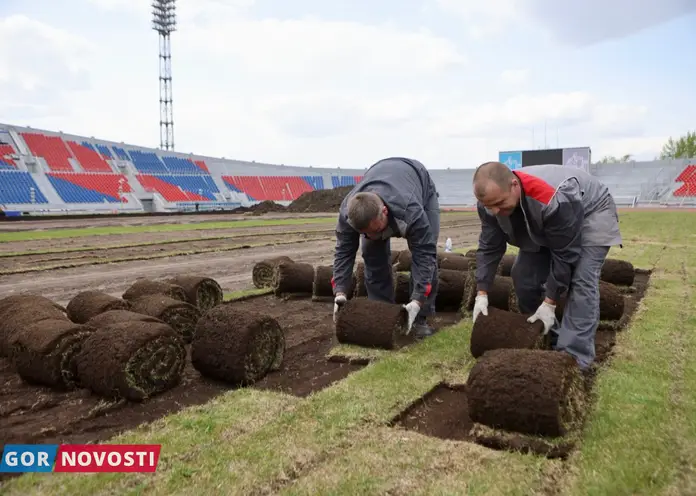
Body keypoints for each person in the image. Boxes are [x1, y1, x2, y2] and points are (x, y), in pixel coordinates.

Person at [471, 161, 622, 371]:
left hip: (590, 213)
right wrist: (482, 292)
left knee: (581, 280)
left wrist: (550, 302)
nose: (495, 211)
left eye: (499, 203)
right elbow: (489, 247)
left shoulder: (554, 197)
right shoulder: (490, 202)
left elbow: (565, 254)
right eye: (489, 206)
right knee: (523, 276)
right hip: (547, 220)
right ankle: (548, 336)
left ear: (514, 185)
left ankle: (574, 360)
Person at [331, 157, 440, 338]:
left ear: (384, 212)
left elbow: (425, 255)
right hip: (380, 172)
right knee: (372, 255)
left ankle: (420, 319)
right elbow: (343, 252)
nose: (373, 236)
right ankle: (382, 312)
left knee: (427, 256)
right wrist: (340, 291)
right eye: (365, 233)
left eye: (375, 230)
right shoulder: (347, 214)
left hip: (418, 181)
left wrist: (418, 300)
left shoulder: (410, 211)